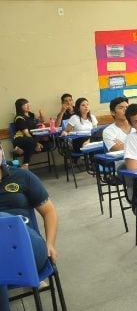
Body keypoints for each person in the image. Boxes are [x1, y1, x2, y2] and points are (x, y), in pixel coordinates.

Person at [0, 145, 58, 305]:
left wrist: (50, 243)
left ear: (1, 152)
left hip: (28, 246)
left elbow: (49, 211)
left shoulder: (22, 176)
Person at [13, 98, 46, 169]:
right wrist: (36, 143)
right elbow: (26, 134)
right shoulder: (19, 118)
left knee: (47, 144)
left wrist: (41, 113)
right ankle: (25, 164)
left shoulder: (31, 115)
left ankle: (19, 149)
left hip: (31, 138)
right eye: (25, 105)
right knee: (30, 141)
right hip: (20, 139)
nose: (28, 106)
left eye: (28, 104)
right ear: (20, 107)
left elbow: (42, 121)